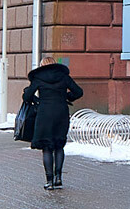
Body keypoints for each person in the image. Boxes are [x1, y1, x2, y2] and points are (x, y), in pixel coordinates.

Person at [22, 57, 84, 188]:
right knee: (59, 145)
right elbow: (78, 92)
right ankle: (58, 178)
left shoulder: (38, 77)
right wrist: (66, 97)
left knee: (47, 147)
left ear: (42, 66)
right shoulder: (63, 76)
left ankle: (49, 181)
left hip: (44, 114)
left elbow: (27, 96)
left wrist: (37, 100)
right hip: (61, 112)